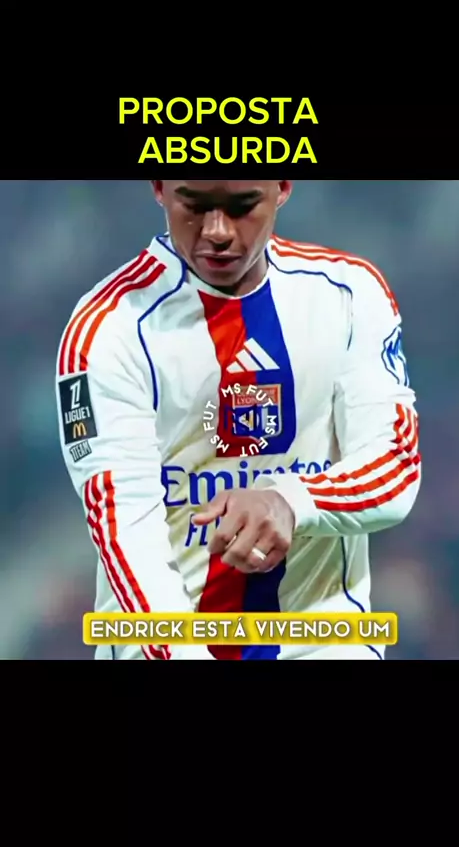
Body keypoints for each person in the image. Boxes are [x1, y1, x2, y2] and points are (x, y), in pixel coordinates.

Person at [55, 180, 421, 661]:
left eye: (242, 206)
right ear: (160, 188)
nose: (217, 231)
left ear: (282, 187)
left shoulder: (350, 294)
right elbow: (125, 531)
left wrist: (291, 503)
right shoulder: (107, 330)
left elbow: (395, 467)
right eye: (195, 205)